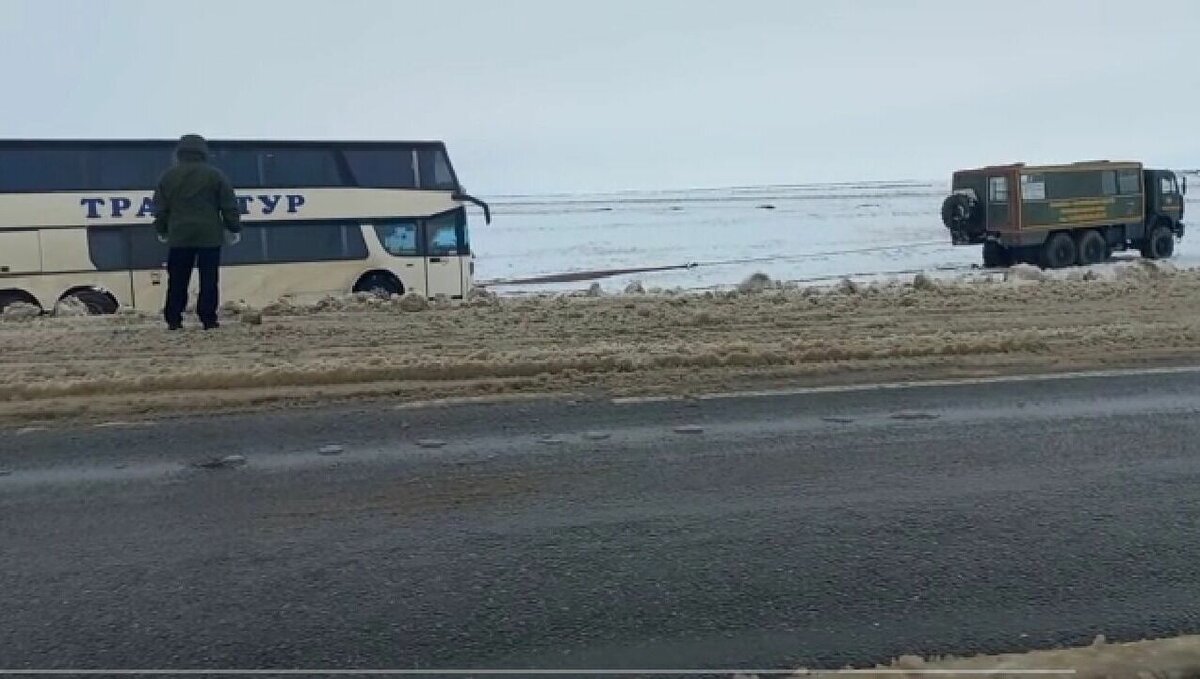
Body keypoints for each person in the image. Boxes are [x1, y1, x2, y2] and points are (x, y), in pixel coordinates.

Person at [152, 134, 242, 330]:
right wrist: (234, 227)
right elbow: (229, 205)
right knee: (209, 279)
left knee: (177, 279)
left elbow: (160, 209)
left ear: (180, 152)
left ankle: (174, 319)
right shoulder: (215, 175)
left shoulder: (168, 177)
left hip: (179, 237)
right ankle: (208, 318)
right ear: (203, 152)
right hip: (209, 236)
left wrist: (162, 230)